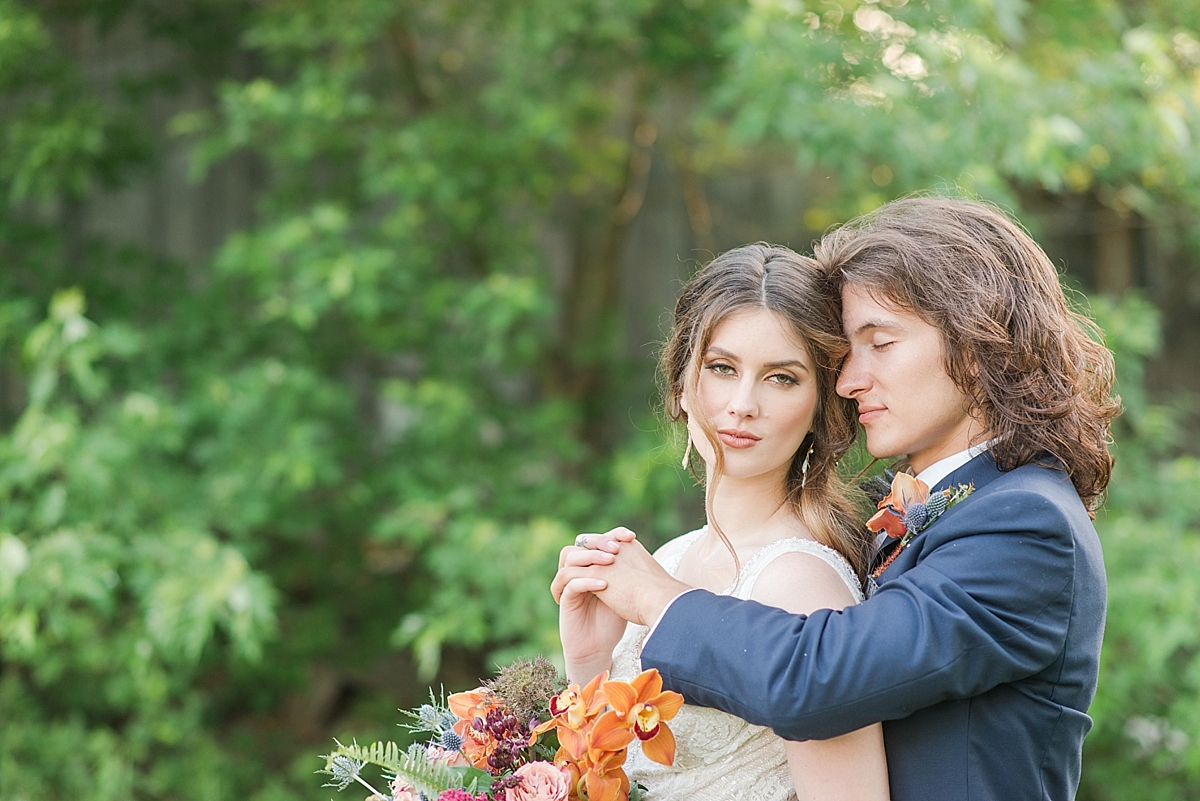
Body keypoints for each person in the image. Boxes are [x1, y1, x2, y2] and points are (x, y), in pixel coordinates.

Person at [554, 196, 1119, 801]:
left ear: (980, 344)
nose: (849, 382)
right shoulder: (931, 504)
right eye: (848, 353)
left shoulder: (1026, 523)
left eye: (880, 343)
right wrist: (591, 658)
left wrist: (655, 597)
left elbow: (820, 681)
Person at [555, 244, 890, 800]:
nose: (742, 404)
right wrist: (590, 663)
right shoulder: (669, 557)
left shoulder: (802, 582)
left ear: (819, 407)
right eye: (721, 368)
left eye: (781, 378)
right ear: (683, 385)